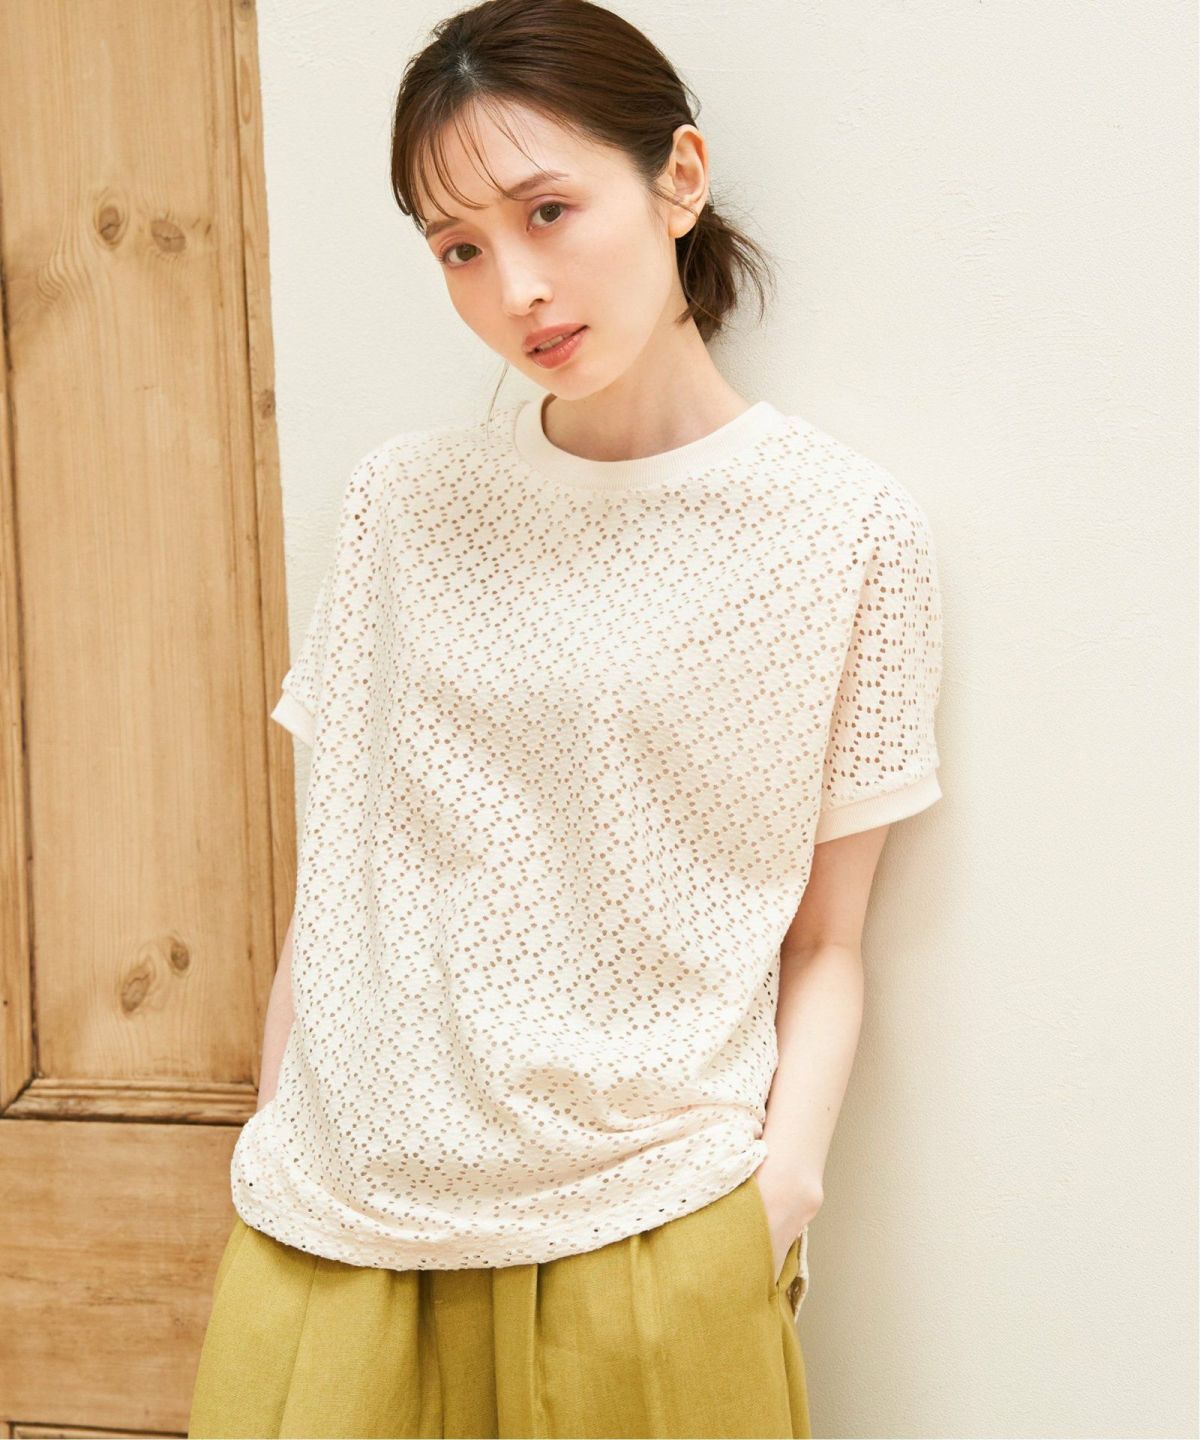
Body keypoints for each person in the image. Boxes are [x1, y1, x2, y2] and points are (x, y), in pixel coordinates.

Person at [187, 1, 946, 1436]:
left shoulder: (843, 532)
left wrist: (780, 1191)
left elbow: (828, 939)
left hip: (648, 1225)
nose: (516, 288)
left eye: (547, 211)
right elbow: (342, 867)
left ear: (678, 177)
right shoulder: (404, 503)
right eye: (459, 249)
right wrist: (277, 1120)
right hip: (335, 1223)